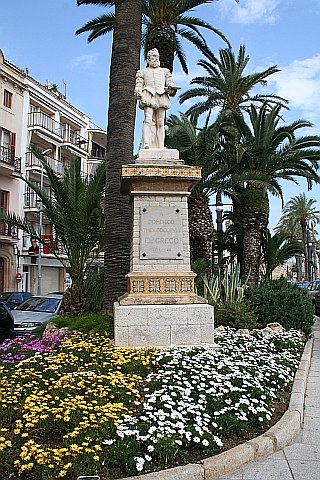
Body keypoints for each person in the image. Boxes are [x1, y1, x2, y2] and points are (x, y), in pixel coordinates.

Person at [135, 48, 179, 149]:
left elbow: (170, 83)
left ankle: (160, 146)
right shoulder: (142, 72)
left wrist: (171, 89)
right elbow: (139, 84)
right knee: (148, 120)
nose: (155, 59)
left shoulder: (165, 71)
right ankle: (146, 143)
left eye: (157, 57)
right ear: (148, 59)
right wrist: (138, 91)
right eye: (153, 57)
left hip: (161, 95)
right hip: (148, 94)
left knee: (160, 122)